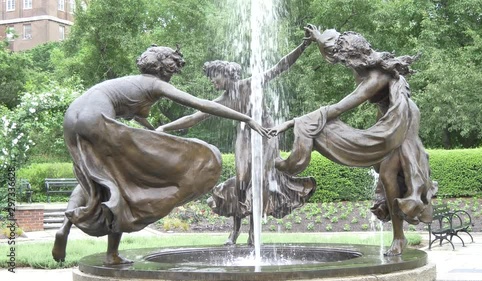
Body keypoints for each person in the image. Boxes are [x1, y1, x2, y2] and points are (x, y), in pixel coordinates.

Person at [51, 45, 270, 265]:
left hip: (73, 116)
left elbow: (137, 119)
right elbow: (200, 105)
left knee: (93, 177)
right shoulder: (155, 84)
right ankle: (112, 254)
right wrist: (247, 119)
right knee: (124, 182)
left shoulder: (131, 82)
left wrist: (156, 130)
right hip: (96, 119)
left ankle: (64, 228)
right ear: (166, 69)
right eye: (173, 70)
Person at [270, 25, 437, 256]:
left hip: (402, 117)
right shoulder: (363, 64)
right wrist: (318, 39)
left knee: (390, 173)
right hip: (387, 115)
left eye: (345, 59)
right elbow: (335, 47)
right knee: (387, 173)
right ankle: (399, 235)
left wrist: (290, 123)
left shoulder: (375, 78)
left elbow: (340, 107)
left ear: (353, 55)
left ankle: (399, 237)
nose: (343, 63)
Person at [156, 38, 316, 245]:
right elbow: (194, 118)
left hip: (266, 134)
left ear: (226, 74)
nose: (212, 82)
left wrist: (303, 46)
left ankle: (254, 233)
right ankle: (235, 230)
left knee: (259, 180)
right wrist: (164, 127)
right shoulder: (221, 100)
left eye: (215, 77)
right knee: (241, 180)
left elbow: (279, 67)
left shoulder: (250, 84)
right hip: (245, 135)